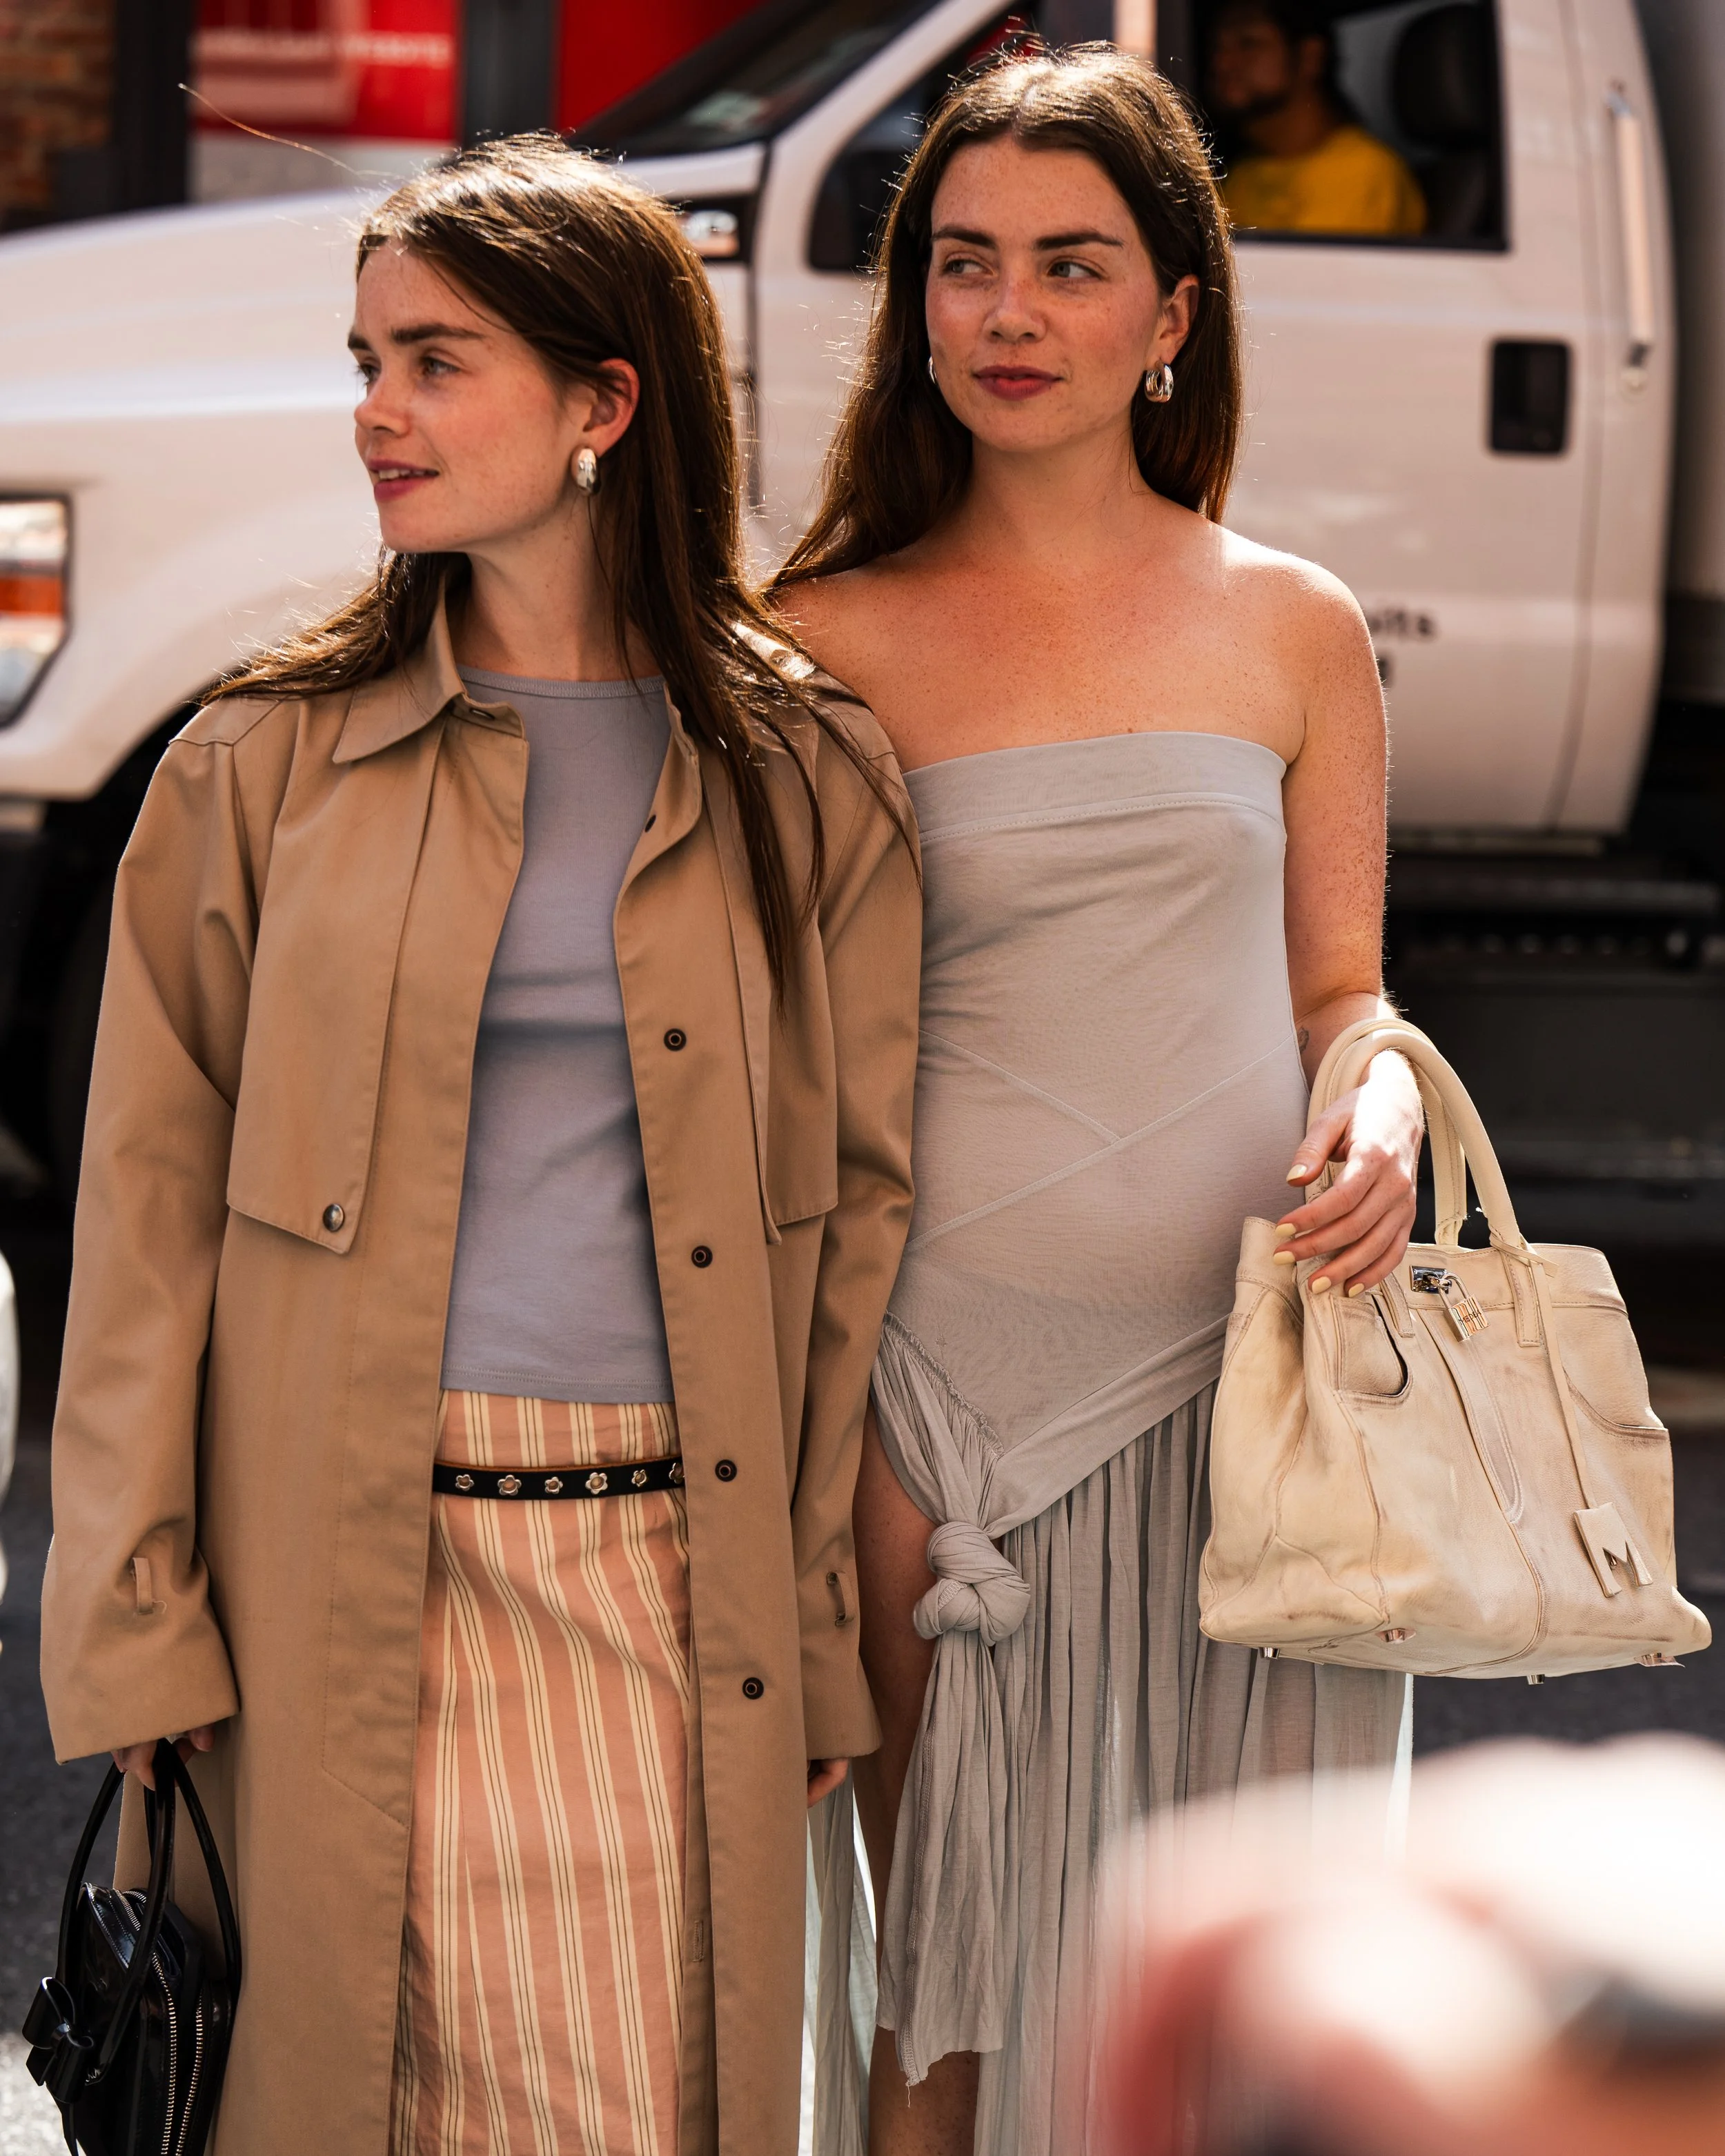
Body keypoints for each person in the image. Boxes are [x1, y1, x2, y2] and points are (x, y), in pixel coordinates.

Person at [39, 137, 921, 2156]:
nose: (375, 410)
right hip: (331, 1578)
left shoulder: (808, 780)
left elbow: (854, 1229)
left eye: (436, 362)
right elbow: (143, 1229)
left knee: (641, 2101)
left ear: (605, 400)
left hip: (663, 1590)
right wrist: (133, 1603)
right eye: (365, 358)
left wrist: (799, 1619)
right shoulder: (254, 767)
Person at [773, 46, 1421, 2156]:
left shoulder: (1292, 626)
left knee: (1246, 2034)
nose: (1005, 314)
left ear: (1169, 314)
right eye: (962, 266)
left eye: (1067, 265)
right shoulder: (814, 643)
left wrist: (1385, 1106)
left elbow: (1342, 989)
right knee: (938, 2013)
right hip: (931, 1423)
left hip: (1256, 1399)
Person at [1208, 0, 1427, 237]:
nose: (1223, 63)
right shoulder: (1244, 175)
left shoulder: (1363, 172)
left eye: (1249, 43)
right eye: (1217, 48)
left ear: (1310, 56)